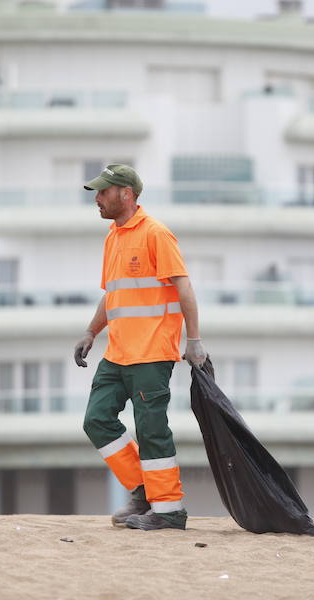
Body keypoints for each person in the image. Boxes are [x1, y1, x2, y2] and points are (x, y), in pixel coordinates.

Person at [74, 164, 207, 531]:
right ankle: (143, 490)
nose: (97, 198)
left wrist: (193, 340)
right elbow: (113, 294)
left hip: (151, 354)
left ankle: (168, 510)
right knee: (96, 421)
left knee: (152, 431)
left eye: (103, 192)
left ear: (126, 194)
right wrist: (91, 332)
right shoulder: (112, 237)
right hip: (117, 353)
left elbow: (184, 289)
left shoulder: (156, 234)